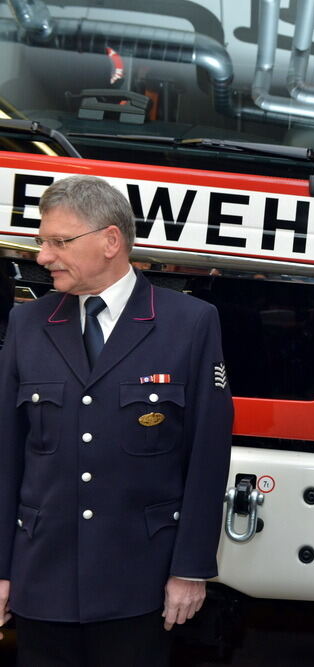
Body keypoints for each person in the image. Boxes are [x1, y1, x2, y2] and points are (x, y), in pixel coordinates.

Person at [0, 176, 233, 666]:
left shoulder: (189, 323)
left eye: (58, 242)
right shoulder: (27, 324)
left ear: (110, 241)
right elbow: (5, 455)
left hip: (139, 582)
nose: (42, 256)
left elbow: (206, 457)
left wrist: (190, 569)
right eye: (41, 242)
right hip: (43, 577)